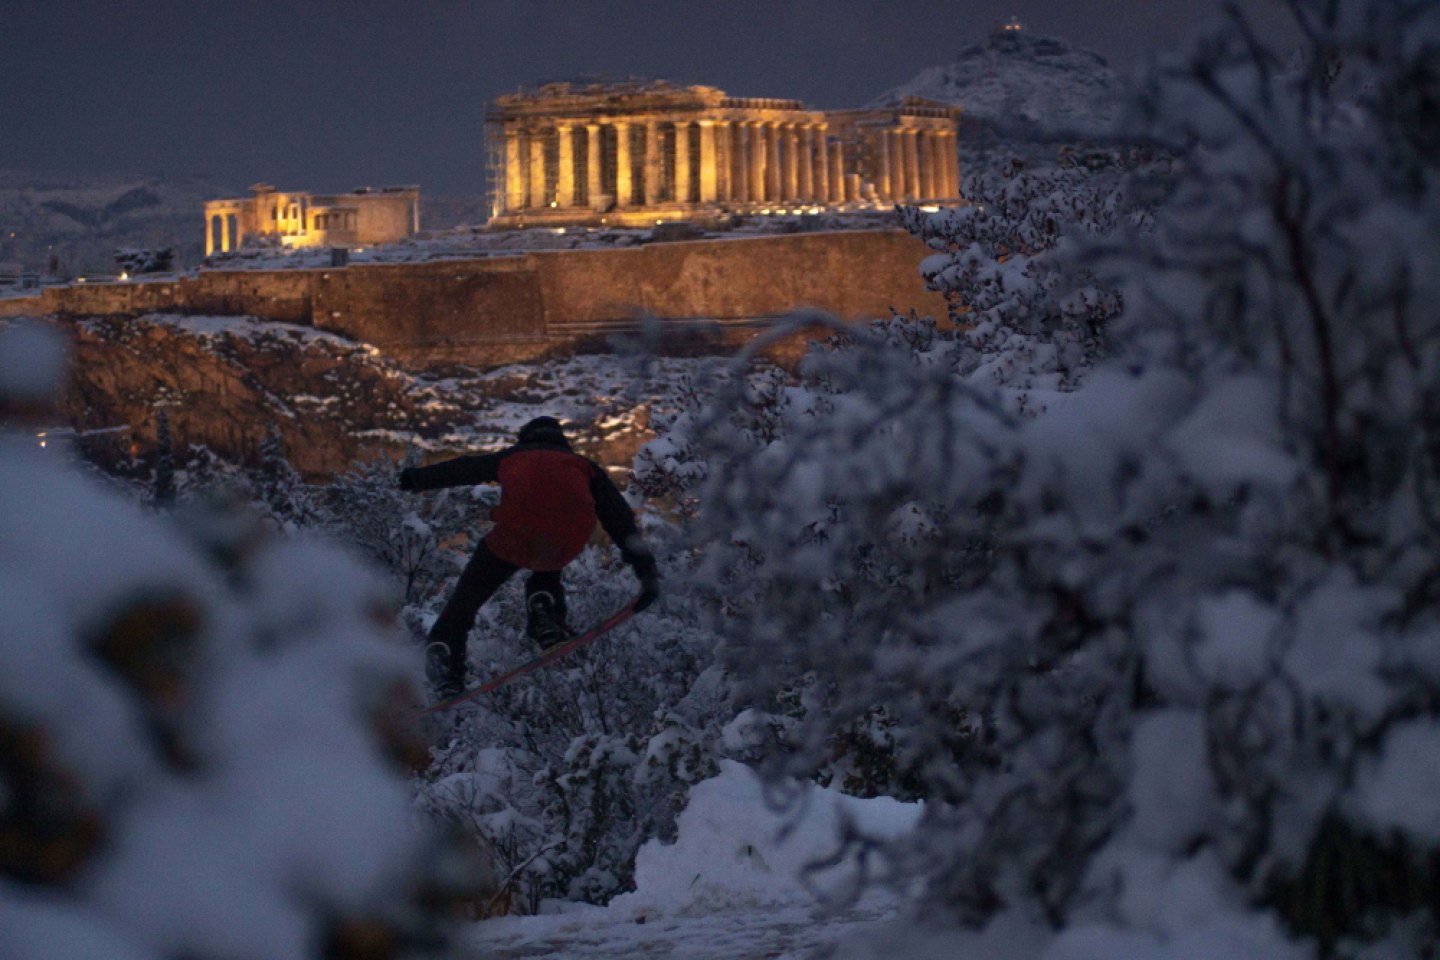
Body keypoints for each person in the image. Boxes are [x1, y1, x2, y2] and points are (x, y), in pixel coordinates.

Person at [398, 416, 660, 698]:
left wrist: (415, 479)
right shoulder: (584, 467)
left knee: (469, 596)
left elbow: (462, 468)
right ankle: (545, 610)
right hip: (567, 539)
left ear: (526, 439)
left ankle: (446, 656)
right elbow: (619, 519)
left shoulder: (514, 456)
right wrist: (646, 572)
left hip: (515, 535)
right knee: (548, 557)